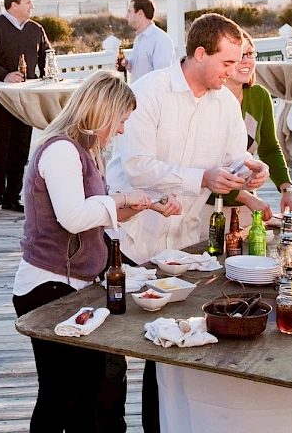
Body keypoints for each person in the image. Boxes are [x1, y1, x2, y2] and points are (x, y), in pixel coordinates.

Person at [106, 13, 269, 431]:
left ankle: (164, 425)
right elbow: (139, 167)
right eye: (227, 64)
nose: (235, 73)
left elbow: (233, 158)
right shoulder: (149, 92)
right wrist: (201, 177)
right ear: (199, 54)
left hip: (186, 242)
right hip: (132, 235)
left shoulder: (226, 103)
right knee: (117, 348)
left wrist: (252, 167)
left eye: (238, 64)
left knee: (175, 339)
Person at [12, 70, 182, 433]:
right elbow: (73, 217)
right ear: (101, 111)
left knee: (84, 390)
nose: (121, 130)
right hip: (47, 288)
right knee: (61, 392)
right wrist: (121, 197)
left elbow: (98, 214)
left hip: (74, 286)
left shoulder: (86, 151)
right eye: (120, 120)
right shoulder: (60, 151)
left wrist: (147, 204)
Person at [0, 0, 48, 218]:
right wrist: (5, 75)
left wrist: (44, 77)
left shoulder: (36, 29)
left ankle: (12, 197)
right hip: (0, 97)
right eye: (28, 2)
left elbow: (46, 56)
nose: (32, 6)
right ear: (14, 5)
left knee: (20, 148)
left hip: (25, 99)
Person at [217, 30, 292, 219]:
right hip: (208, 207)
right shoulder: (209, 99)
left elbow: (269, 149)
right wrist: (245, 197)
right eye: (240, 55)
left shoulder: (259, 96)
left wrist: (287, 189)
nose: (246, 61)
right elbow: (202, 167)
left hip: (246, 205)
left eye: (250, 53)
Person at [120, 0, 174, 81]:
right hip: (137, 93)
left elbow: (162, 76)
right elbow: (142, 69)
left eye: (129, 11)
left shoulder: (161, 40)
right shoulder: (139, 38)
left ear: (140, 14)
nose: (126, 16)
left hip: (151, 94)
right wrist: (128, 64)